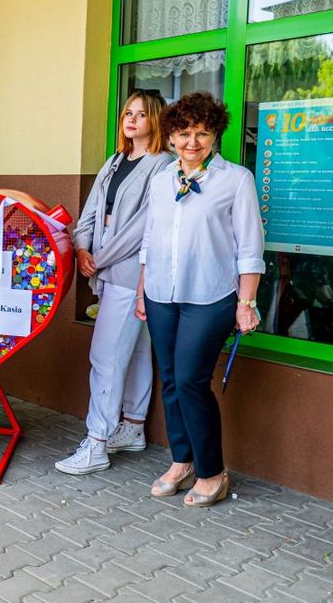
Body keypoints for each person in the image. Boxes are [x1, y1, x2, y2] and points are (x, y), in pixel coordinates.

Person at [136, 92, 264, 507]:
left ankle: (212, 472)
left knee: (191, 380)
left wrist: (246, 302)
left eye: (203, 133)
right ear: (171, 135)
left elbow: (249, 246)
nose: (193, 142)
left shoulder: (235, 179)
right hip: (160, 293)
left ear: (215, 136)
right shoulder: (160, 180)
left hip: (210, 295)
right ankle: (182, 461)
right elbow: (150, 240)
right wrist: (142, 291)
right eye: (184, 133)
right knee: (170, 380)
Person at [55, 89, 172, 476]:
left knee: (105, 356)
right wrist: (82, 247)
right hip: (104, 268)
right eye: (128, 112)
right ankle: (134, 427)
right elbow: (89, 213)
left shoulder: (163, 165)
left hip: (129, 273)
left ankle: (97, 442)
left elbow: (144, 228)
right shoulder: (115, 161)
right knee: (136, 350)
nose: (132, 119)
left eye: (141, 114)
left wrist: (99, 260)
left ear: (156, 120)